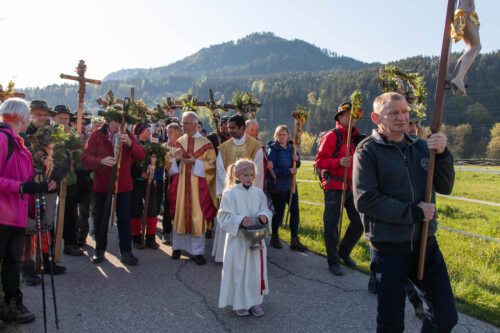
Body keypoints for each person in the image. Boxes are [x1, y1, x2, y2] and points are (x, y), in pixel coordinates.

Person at [353, 92, 457, 332]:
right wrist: (414, 212)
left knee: (445, 316)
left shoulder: (422, 147)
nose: (402, 118)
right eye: (394, 113)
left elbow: (445, 186)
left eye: (405, 112)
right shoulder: (367, 151)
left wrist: (443, 154)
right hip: (388, 247)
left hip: (425, 244)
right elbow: (366, 200)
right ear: (376, 117)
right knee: (391, 323)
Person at [82, 107, 146, 265]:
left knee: (124, 218)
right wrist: (100, 161)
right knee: (101, 218)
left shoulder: (127, 134)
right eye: (116, 121)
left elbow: (141, 155)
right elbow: (85, 158)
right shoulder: (97, 135)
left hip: (123, 184)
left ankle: (126, 252)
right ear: (108, 120)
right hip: (102, 184)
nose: (119, 124)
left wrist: (130, 143)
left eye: (121, 121)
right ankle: (99, 250)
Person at [0, 98, 41, 325]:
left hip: (16, 215)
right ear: (20, 117)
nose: (30, 120)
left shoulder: (19, 144)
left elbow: (23, 179)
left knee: (12, 262)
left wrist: (38, 184)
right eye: (27, 115)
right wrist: (21, 187)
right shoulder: (2, 139)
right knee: (8, 261)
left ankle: (12, 304)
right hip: (3, 214)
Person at [217, 159, 272, 317]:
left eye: (252, 175)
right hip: (239, 241)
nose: (249, 178)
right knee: (239, 270)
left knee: (255, 271)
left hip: (256, 239)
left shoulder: (258, 193)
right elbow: (223, 217)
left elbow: (265, 209)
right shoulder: (230, 194)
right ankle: (239, 303)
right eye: (246, 175)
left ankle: (255, 302)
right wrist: (239, 220)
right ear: (237, 175)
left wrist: (264, 216)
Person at [315, 102, 364, 275]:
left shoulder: (356, 138)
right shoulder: (332, 136)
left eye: (354, 117)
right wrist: (338, 162)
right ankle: (333, 260)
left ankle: (343, 251)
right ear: (340, 117)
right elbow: (320, 161)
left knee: (359, 222)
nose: (352, 119)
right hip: (335, 186)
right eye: (348, 116)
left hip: (351, 186)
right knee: (332, 223)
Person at [212, 114, 264, 262]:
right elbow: (221, 171)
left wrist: (256, 194)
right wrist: (226, 192)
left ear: (242, 128)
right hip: (230, 194)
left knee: (248, 220)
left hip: (249, 194)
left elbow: (258, 172)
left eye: (233, 127)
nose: (229, 130)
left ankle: (249, 255)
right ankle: (224, 256)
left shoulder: (255, 147)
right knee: (229, 221)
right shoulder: (224, 148)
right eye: (228, 127)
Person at [168, 111, 217, 265]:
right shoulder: (178, 142)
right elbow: (168, 161)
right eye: (182, 123)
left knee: (197, 215)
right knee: (180, 213)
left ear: (195, 124)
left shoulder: (206, 144)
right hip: (181, 185)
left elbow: (212, 165)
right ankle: (177, 247)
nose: (183, 126)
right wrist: (175, 160)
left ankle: (197, 252)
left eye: (186, 123)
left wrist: (196, 163)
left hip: (198, 187)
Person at [267, 125, 307, 252]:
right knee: (278, 213)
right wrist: (287, 171)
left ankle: (294, 239)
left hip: (291, 185)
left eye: (284, 134)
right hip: (278, 186)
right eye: (279, 134)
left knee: (295, 211)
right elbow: (271, 169)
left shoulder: (292, 148)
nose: (282, 136)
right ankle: (274, 236)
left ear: (288, 135)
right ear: (276, 136)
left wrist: (298, 160)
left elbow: (297, 165)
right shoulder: (273, 149)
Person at [52, 104, 84, 256]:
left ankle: (70, 243)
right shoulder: (49, 134)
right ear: (54, 119)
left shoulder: (73, 135)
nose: (63, 121)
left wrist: (74, 158)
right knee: (51, 212)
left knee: (70, 210)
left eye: (66, 118)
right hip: (51, 178)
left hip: (69, 178)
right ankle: (51, 246)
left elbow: (80, 155)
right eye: (60, 118)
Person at [130, 123, 160, 250]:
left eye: (149, 130)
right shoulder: (134, 144)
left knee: (152, 208)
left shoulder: (152, 146)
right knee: (136, 209)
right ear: (140, 132)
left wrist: (153, 167)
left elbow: (157, 160)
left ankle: (150, 238)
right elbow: (129, 164)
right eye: (147, 130)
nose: (149, 132)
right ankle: (136, 237)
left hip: (149, 181)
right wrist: (140, 173)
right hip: (137, 182)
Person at [450, 0, 481, 96]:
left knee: (472, 47)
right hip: (466, 13)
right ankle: (458, 78)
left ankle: (457, 77)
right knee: (476, 46)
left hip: (464, 13)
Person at [161, 122, 183, 244]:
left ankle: (180, 232)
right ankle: (166, 232)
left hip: (183, 180)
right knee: (168, 206)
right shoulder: (164, 146)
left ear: (178, 132)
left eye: (171, 132)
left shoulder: (184, 146)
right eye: (167, 132)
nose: (168, 135)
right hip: (169, 181)